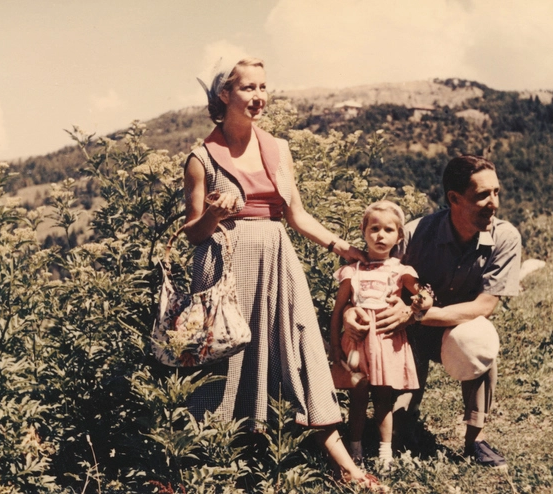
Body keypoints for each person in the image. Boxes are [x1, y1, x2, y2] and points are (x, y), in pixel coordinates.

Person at [183, 57, 384, 490]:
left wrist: (340, 245)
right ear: (224, 95)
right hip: (223, 269)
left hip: (276, 261)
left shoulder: (277, 148)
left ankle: (345, 468)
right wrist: (214, 216)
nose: (258, 97)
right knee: (223, 364)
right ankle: (206, 466)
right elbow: (192, 233)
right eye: (248, 89)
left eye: (262, 87)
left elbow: (296, 215)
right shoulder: (201, 158)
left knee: (300, 351)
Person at [344, 155, 521, 469]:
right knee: (395, 431)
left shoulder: (505, 238)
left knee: (479, 340)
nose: (493, 202)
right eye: (482, 195)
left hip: (455, 329)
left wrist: (416, 314)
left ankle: (475, 439)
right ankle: (402, 419)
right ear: (454, 198)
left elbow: (485, 306)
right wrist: (348, 312)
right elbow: (373, 275)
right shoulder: (415, 234)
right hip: (405, 336)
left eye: (496, 192)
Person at [329, 200, 432, 468]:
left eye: (388, 230)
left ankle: (386, 452)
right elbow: (339, 309)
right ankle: (355, 448)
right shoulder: (353, 270)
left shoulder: (400, 270)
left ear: (399, 236)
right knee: (358, 397)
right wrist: (334, 346)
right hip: (357, 342)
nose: (380, 236)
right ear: (363, 231)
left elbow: (422, 293)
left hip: (386, 340)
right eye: (374, 228)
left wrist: (422, 302)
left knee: (384, 399)